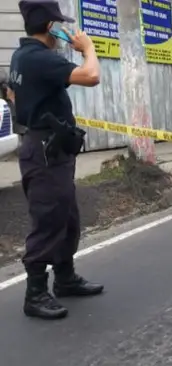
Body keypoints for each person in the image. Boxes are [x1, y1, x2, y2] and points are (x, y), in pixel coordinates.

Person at [10, 0, 104, 320]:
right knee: (49, 217)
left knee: (66, 216)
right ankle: (35, 293)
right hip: (45, 151)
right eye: (60, 24)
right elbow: (91, 76)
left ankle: (65, 277)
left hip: (50, 148)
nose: (65, 30)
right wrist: (88, 48)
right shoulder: (39, 58)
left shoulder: (21, 55)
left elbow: (11, 94)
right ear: (51, 27)